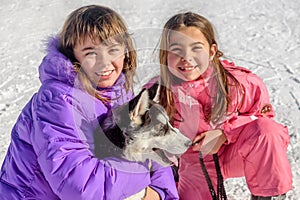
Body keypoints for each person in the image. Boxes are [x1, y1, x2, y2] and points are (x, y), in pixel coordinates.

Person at [0, 5, 179, 200]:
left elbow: (149, 144)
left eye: (113, 49)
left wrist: (160, 192)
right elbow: (80, 187)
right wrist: (145, 175)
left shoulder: (118, 92)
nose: (104, 62)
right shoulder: (57, 102)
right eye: (90, 52)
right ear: (72, 56)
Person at [150, 12, 292, 200]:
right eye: (176, 50)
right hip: (191, 163)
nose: (186, 57)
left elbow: (263, 119)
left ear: (211, 51)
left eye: (196, 49)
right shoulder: (157, 92)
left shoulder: (241, 83)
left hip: (235, 153)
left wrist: (225, 133)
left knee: (267, 132)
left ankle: (269, 196)